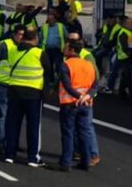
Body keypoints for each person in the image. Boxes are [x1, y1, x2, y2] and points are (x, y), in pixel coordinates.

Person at [3, 28, 53, 167]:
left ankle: (9, 154)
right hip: (33, 94)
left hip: (14, 92)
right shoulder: (39, 53)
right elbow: (49, 72)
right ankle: (33, 157)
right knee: (33, 126)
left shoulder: (13, 51)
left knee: (12, 124)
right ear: (35, 39)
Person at [50, 39, 97, 172]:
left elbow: (67, 85)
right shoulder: (88, 64)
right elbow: (95, 85)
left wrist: (79, 97)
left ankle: (66, 163)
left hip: (70, 104)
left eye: (66, 48)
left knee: (68, 133)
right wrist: (87, 96)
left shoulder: (66, 65)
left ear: (71, 50)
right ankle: (85, 161)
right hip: (86, 104)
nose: (63, 50)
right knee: (84, 133)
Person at [0, 25, 24, 154]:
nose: (21, 37)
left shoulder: (25, 48)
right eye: (19, 34)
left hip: (16, 86)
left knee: (14, 116)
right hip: (2, 84)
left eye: (23, 35)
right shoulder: (4, 45)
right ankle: (0, 141)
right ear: (13, 34)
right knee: (1, 115)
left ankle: (12, 141)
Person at [40, 12, 68, 79]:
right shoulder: (44, 27)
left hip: (58, 49)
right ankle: (50, 80)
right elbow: (41, 37)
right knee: (48, 66)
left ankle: (58, 80)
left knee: (58, 66)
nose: (50, 21)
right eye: (49, 19)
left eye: (51, 19)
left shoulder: (61, 26)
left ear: (55, 19)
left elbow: (66, 36)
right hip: (47, 49)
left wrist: (65, 47)